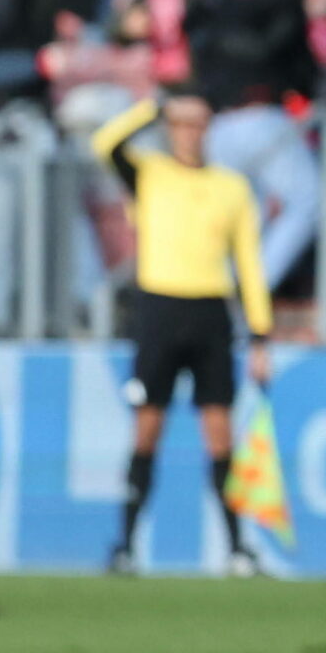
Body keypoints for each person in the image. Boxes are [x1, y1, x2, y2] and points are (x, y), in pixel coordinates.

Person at [92, 89, 274, 576]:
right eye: (181, 122)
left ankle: (236, 550)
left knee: (220, 435)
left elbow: (249, 266)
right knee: (147, 428)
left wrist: (260, 335)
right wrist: (151, 106)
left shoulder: (230, 187)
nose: (190, 132)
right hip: (159, 310)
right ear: (169, 126)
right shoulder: (150, 174)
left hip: (211, 312)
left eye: (198, 123)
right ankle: (125, 546)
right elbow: (105, 144)